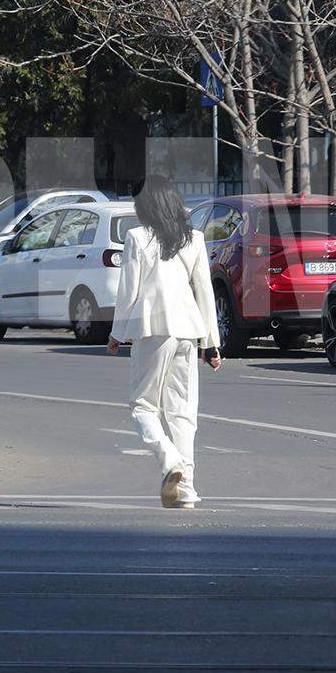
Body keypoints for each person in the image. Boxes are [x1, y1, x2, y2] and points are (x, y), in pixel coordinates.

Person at [107, 175, 223, 509]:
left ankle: (169, 460)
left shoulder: (136, 237)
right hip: (188, 329)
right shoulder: (194, 238)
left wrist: (117, 334)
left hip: (151, 328)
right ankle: (185, 489)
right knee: (183, 413)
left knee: (143, 406)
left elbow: (129, 291)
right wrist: (211, 345)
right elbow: (204, 291)